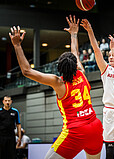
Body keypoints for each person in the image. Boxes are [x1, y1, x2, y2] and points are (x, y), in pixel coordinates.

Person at [9, 15, 103, 159]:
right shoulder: (82, 73)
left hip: (76, 131)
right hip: (95, 127)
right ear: (75, 65)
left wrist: (17, 46)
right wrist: (73, 34)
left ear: (60, 67)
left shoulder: (58, 82)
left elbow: (26, 71)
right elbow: (75, 53)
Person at [81, 19, 114, 159]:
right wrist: (90, 31)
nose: (111, 57)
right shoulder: (105, 69)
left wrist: (112, 48)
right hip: (110, 112)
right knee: (109, 153)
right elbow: (96, 50)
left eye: (113, 56)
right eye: (109, 56)